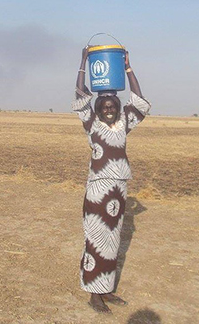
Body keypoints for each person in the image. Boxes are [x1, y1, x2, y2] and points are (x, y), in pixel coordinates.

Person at [72, 46, 151, 314]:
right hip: (98, 189)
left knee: (113, 241)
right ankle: (93, 294)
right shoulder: (91, 123)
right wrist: (83, 61)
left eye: (112, 105)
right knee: (96, 238)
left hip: (119, 189)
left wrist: (128, 68)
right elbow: (80, 95)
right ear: (98, 109)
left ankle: (105, 289)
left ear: (118, 107)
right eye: (104, 106)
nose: (108, 108)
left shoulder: (125, 121)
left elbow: (139, 101)